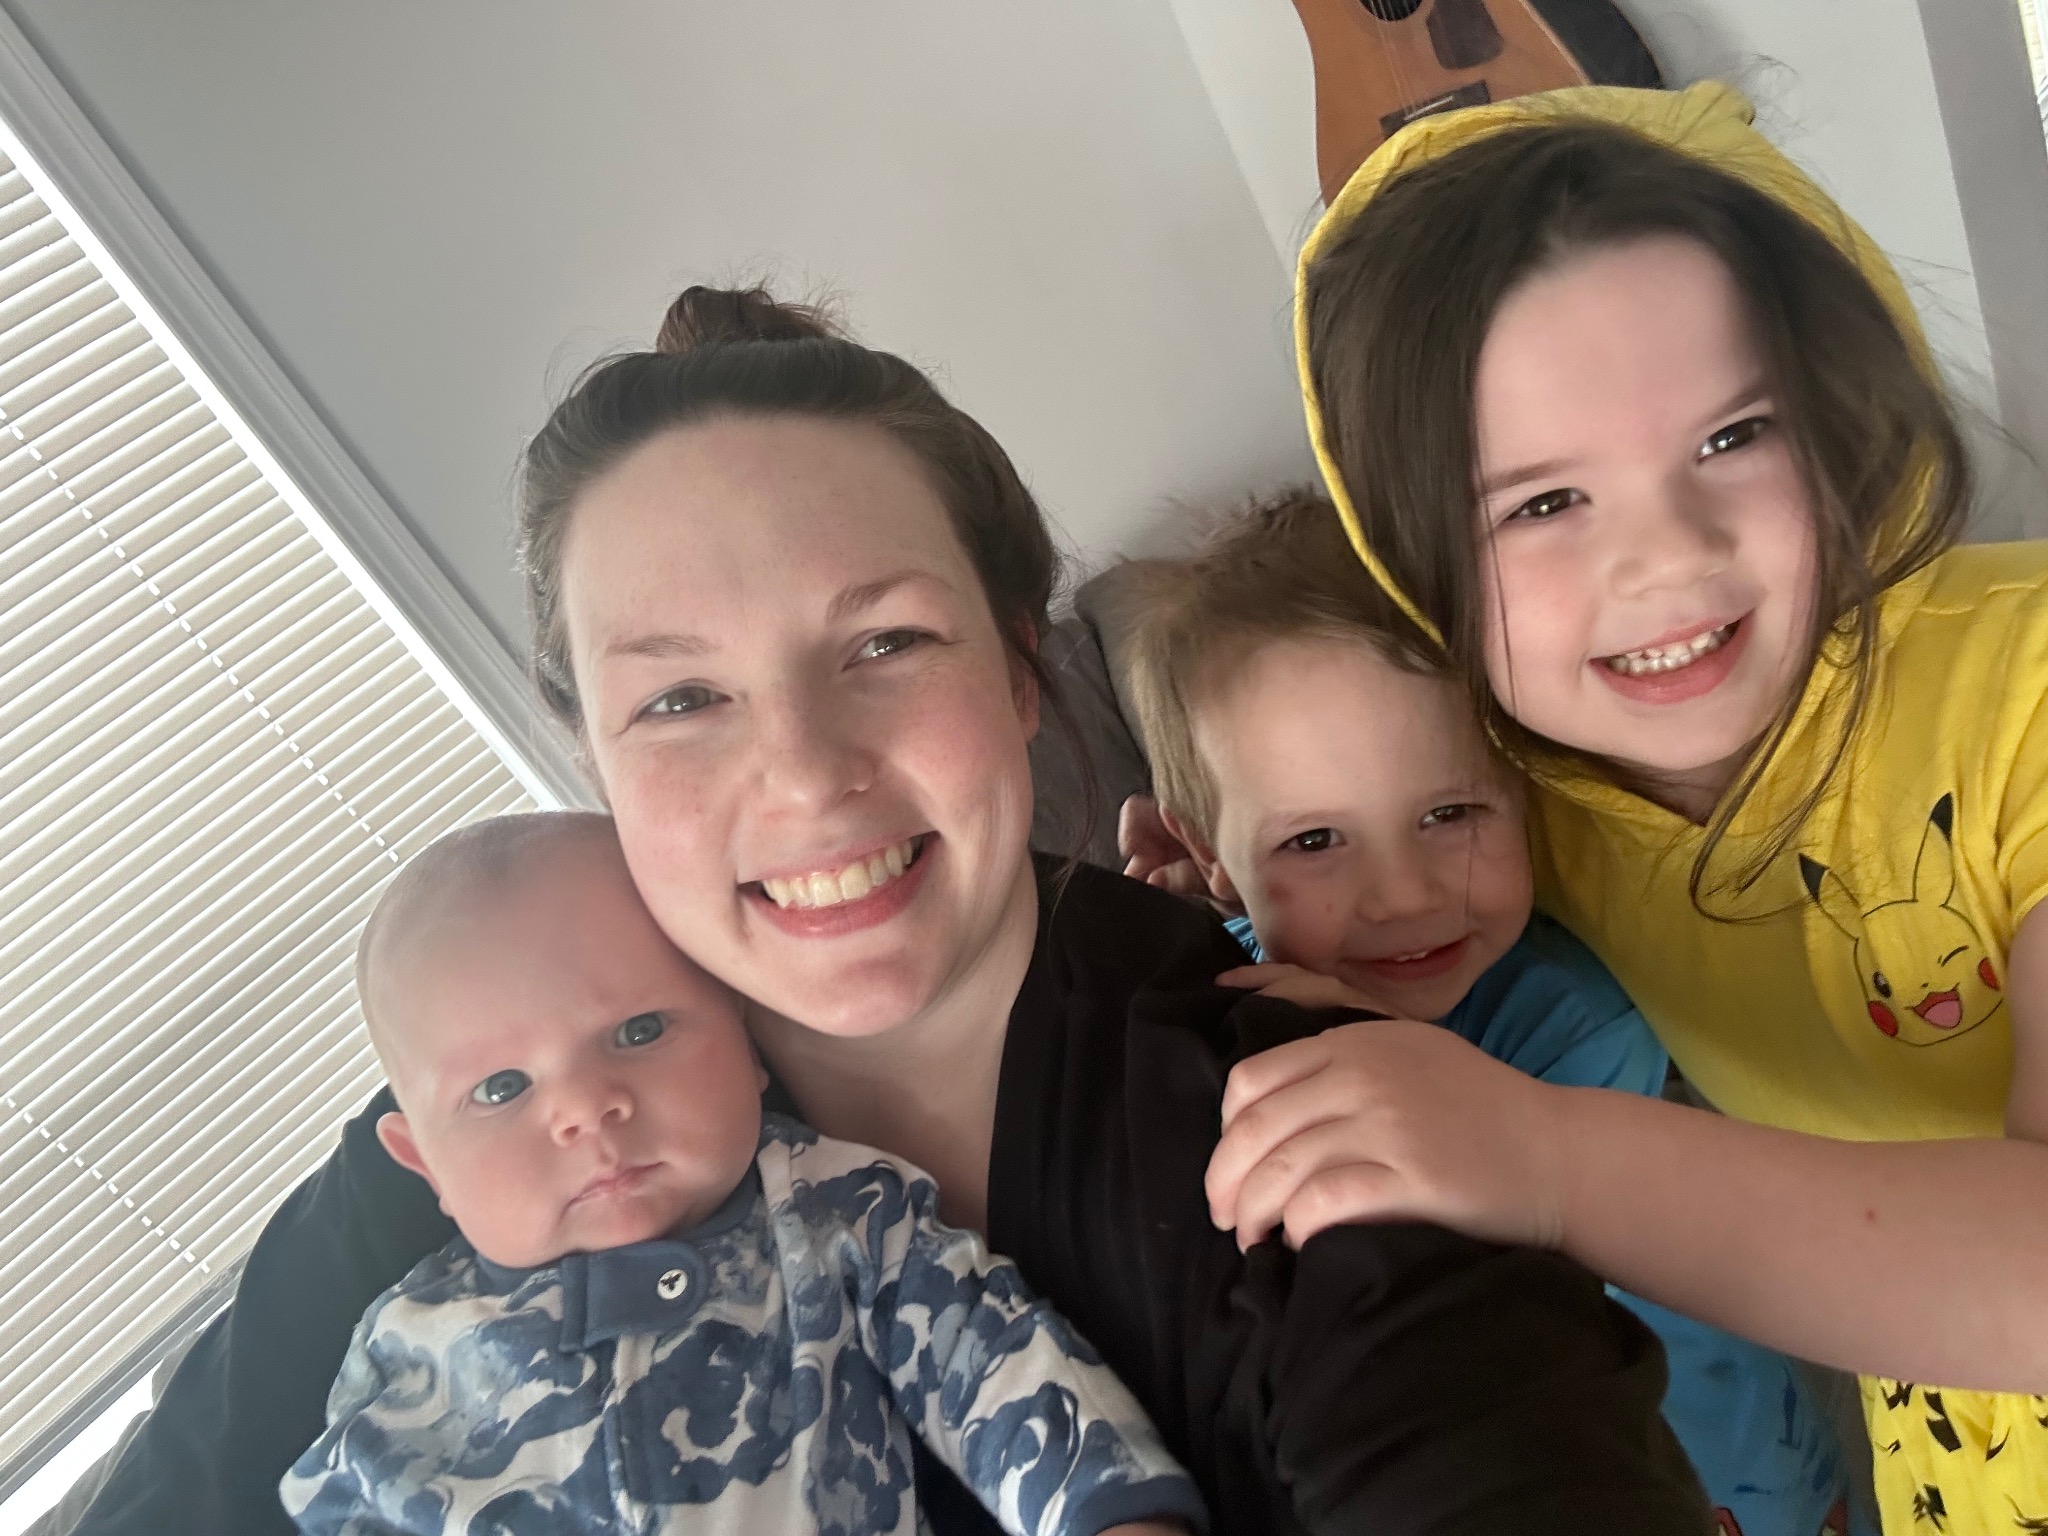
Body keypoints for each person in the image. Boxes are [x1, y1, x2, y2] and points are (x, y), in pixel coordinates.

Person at [73, 286, 1712, 1536]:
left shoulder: (1302, 1118)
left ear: (1019, 672)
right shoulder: (488, 1128)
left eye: (883, 644)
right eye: (681, 698)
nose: (804, 773)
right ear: (591, 758)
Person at [1150, 82, 2048, 1536]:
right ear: (1419, 557)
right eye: (1541, 503)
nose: (1665, 556)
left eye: (1732, 435)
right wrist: (1195, 917)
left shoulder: (2030, 694)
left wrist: (1545, 1158)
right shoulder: (1528, 807)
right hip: (1948, 1458)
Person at [1117, 487, 1855, 1536]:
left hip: (1723, 1476)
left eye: (1449, 813)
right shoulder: (1218, 993)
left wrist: (1363, 1036)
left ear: (1525, 789)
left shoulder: (1567, 1024)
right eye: (1313, 842)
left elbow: (1506, 1261)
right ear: (1211, 855)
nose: (1401, 896)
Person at [280, 811, 1202, 1536]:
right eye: (500, 1088)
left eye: (640, 1031)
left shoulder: (843, 1216)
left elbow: (990, 1364)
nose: (585, 1108)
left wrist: (1112, 1514)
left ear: (748, 1039)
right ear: (424, 1164)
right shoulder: (407, 1348)